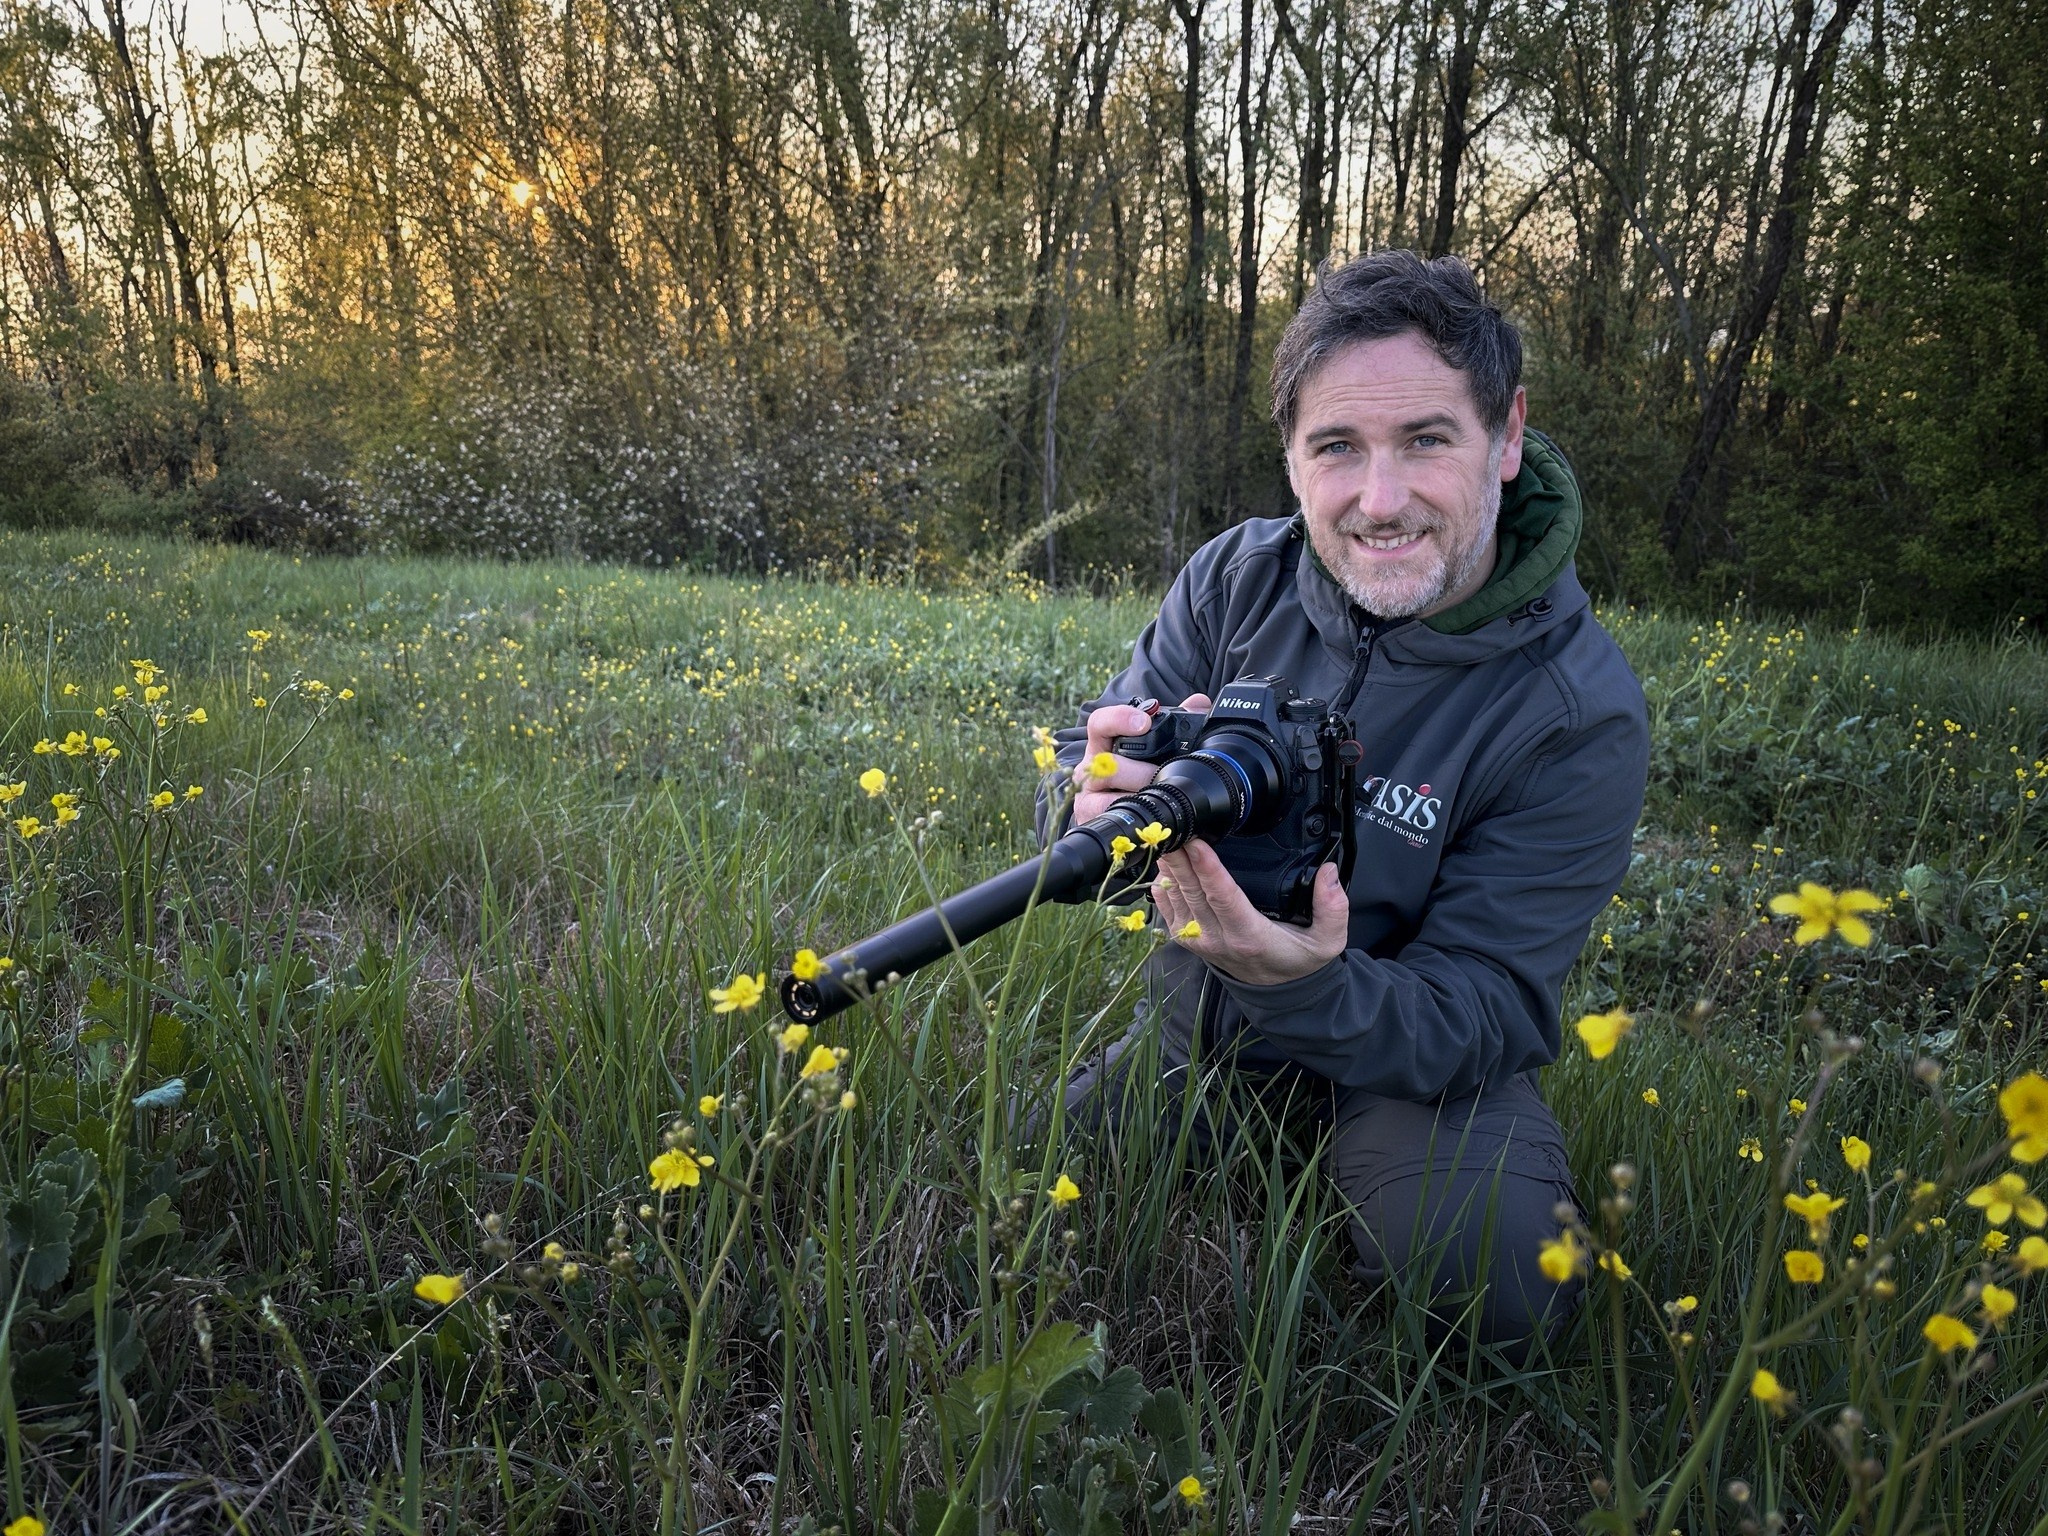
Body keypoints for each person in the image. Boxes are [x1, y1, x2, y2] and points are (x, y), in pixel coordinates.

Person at [1049, 250, 1650, 1355]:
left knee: (1499, 1293)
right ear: (1289, 456)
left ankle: (1376, 1169)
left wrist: (1305, 988)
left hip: (1412, 1072)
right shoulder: (1233, 578)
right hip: (1196, 1033)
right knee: (1030, 1187)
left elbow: (1482, 1005)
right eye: (1336, 447)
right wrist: (1086, 806)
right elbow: (1092, 760)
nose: (1379, 502)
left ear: (1505, 437)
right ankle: (1245, 1133)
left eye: (1425, 439)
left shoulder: (1577, 708)